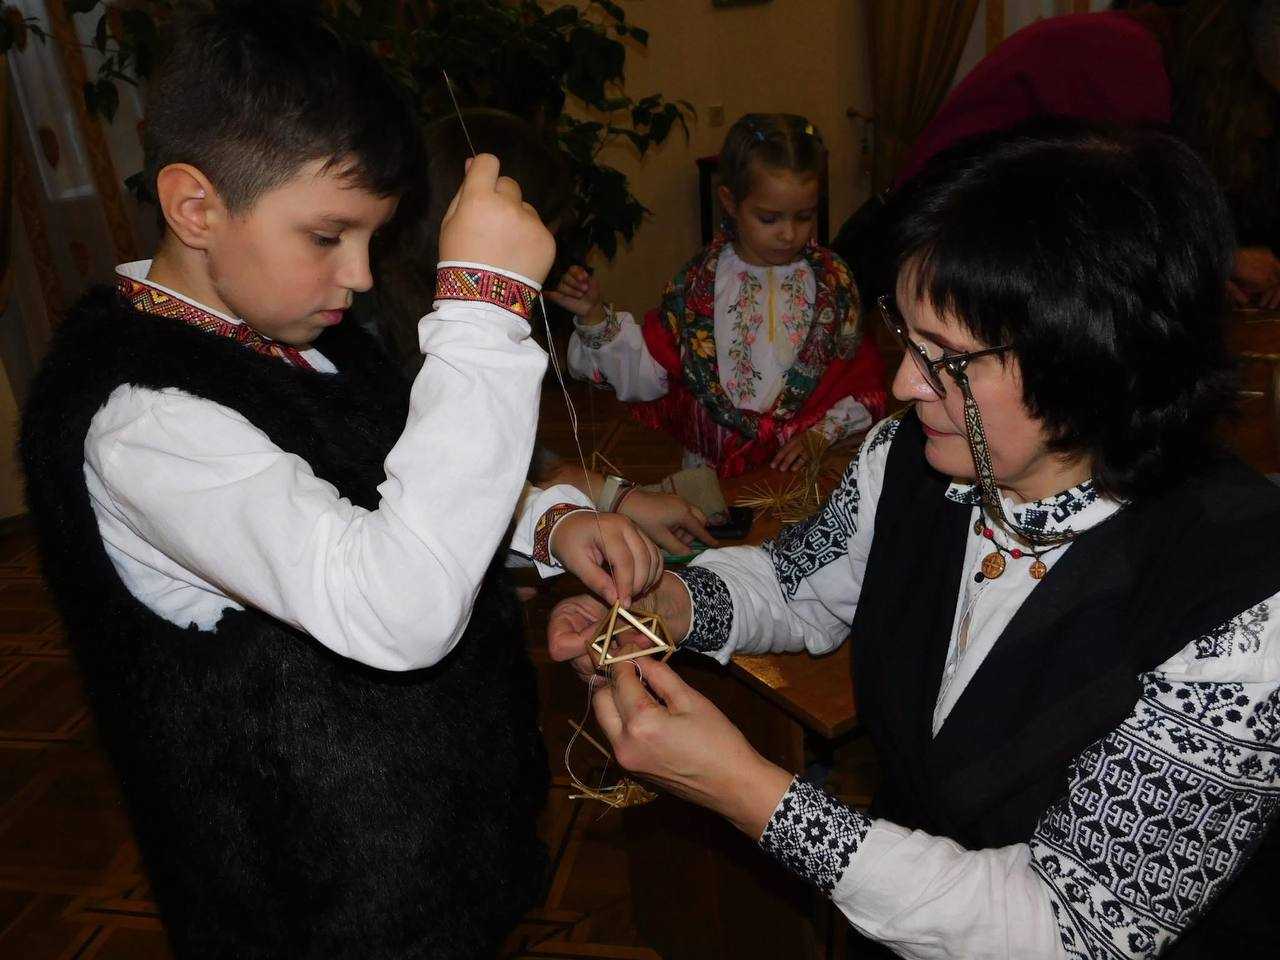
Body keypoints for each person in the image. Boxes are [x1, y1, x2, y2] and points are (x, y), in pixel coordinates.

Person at [18, 4, 662, 958]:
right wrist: (483, 309)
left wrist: (543, 523)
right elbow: (397, 607)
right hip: (320, 900)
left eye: (372, 238)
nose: (359, 275)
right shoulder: (147, 426)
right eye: (328, 236)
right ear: (195, 207)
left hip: (433, 850)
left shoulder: (291, 334)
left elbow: (379, 485)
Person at [550, 121, 1280, 958]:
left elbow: (1072, 927)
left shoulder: (1240, 599)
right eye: (906, 337)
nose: (903, 382)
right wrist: (667, 602)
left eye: (948, 359)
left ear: (1093, 366)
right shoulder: (912, 458)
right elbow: (798, 581)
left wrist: (753, 794)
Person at [361, 107, 720, 555]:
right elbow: (458, 495)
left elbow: (515, 466)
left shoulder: (429, 307)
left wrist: (616, 498)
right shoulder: (382, 343)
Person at [839, 0, 1280, 309]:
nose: (1261, 125)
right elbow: (1133, 228)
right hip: (919, 262)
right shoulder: (1128, 62)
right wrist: (1220, 261)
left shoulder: (1133, 50)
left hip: (958, 250)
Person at [553, 114, 886, 478]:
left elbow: (861, 379)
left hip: (803, 470)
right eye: (769, 219)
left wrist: (821, 434)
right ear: (729, 201)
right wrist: (593, 315)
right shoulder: (698, 287)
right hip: (714, 474)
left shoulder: (833, 284)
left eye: (804, 216)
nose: (789, 234)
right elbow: (649, 372)